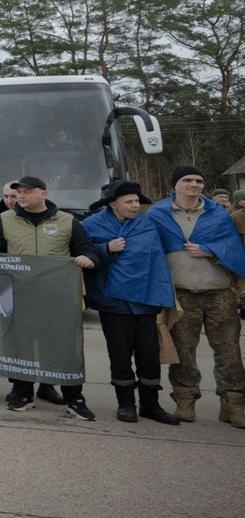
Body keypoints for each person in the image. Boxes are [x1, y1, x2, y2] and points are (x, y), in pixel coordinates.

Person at [0, 176, 99, 420]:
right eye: (19, 192)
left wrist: (88, 259)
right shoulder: (5, 220)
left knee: (63, 345)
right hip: (20, 296)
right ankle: (22, 391)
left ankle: (73, 397)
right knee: (21, 344)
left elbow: (88, 250)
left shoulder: (68, 221)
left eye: (28, 191)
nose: (21, 196)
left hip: (57, 298)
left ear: (44, 194)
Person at [146, 165, 245, 428]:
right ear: (175, 185)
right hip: (180, 295)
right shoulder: (157, 213)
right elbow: (149, 250)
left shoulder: (218, 214)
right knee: (183, 352)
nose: (194, 184)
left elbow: (233, 250)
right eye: (187, 180)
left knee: (229, 352)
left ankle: (233, 405)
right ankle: (185, 401)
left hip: (219, 293)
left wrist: (210, 250)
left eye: (199, 180)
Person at [83, 181, 179, 425]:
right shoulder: (92, 224)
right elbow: (81, 253)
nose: (136, 205)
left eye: (137, 201)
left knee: (149, 355)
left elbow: (159, 255)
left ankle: (151, 405)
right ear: (113, 204)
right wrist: (106, 248)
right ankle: (126, 404)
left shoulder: (148, 224)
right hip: (113, 301)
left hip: (146, 300)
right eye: (129, 201)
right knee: (120, 354)